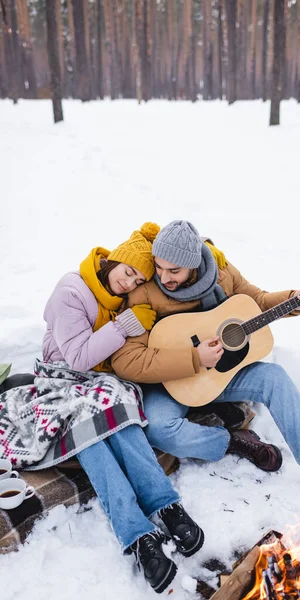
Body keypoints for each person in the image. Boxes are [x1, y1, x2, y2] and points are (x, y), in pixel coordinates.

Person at [111, 220, 300, 516]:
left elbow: (255, 301)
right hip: (169, 383)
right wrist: (193, 359)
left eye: (174, 271)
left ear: (193, 265)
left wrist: (294, 300)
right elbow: (126, 360)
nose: (163, 277)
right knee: (160, 429)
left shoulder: (221, 271)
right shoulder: (145, 293)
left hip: (217, 376)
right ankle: (232, 442)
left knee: (273, 377)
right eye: (159, 267)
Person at [41, 223, 204, 593]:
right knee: (91, 439)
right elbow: (79, 358)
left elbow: (176, 249)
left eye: (138, 280)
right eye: (128, 272)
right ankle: (138, 537)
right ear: (112, 260)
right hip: (62, 382)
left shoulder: (120, 294)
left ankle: (165, 505)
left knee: (124, 421)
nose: (130, 283)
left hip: (101, 382)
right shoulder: (72, 289)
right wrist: (126, 325)